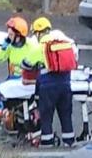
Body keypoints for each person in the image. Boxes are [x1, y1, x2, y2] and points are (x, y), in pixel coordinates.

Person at [28, 16, 78, 147]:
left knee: (46, 118)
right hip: (66, 86)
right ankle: (69, 143)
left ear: (39, 33)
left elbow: (26, 64)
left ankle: (47, 145)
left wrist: (38, 65)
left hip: (48, 88)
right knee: (66, 116)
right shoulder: (66, 43)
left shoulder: (42, 46)